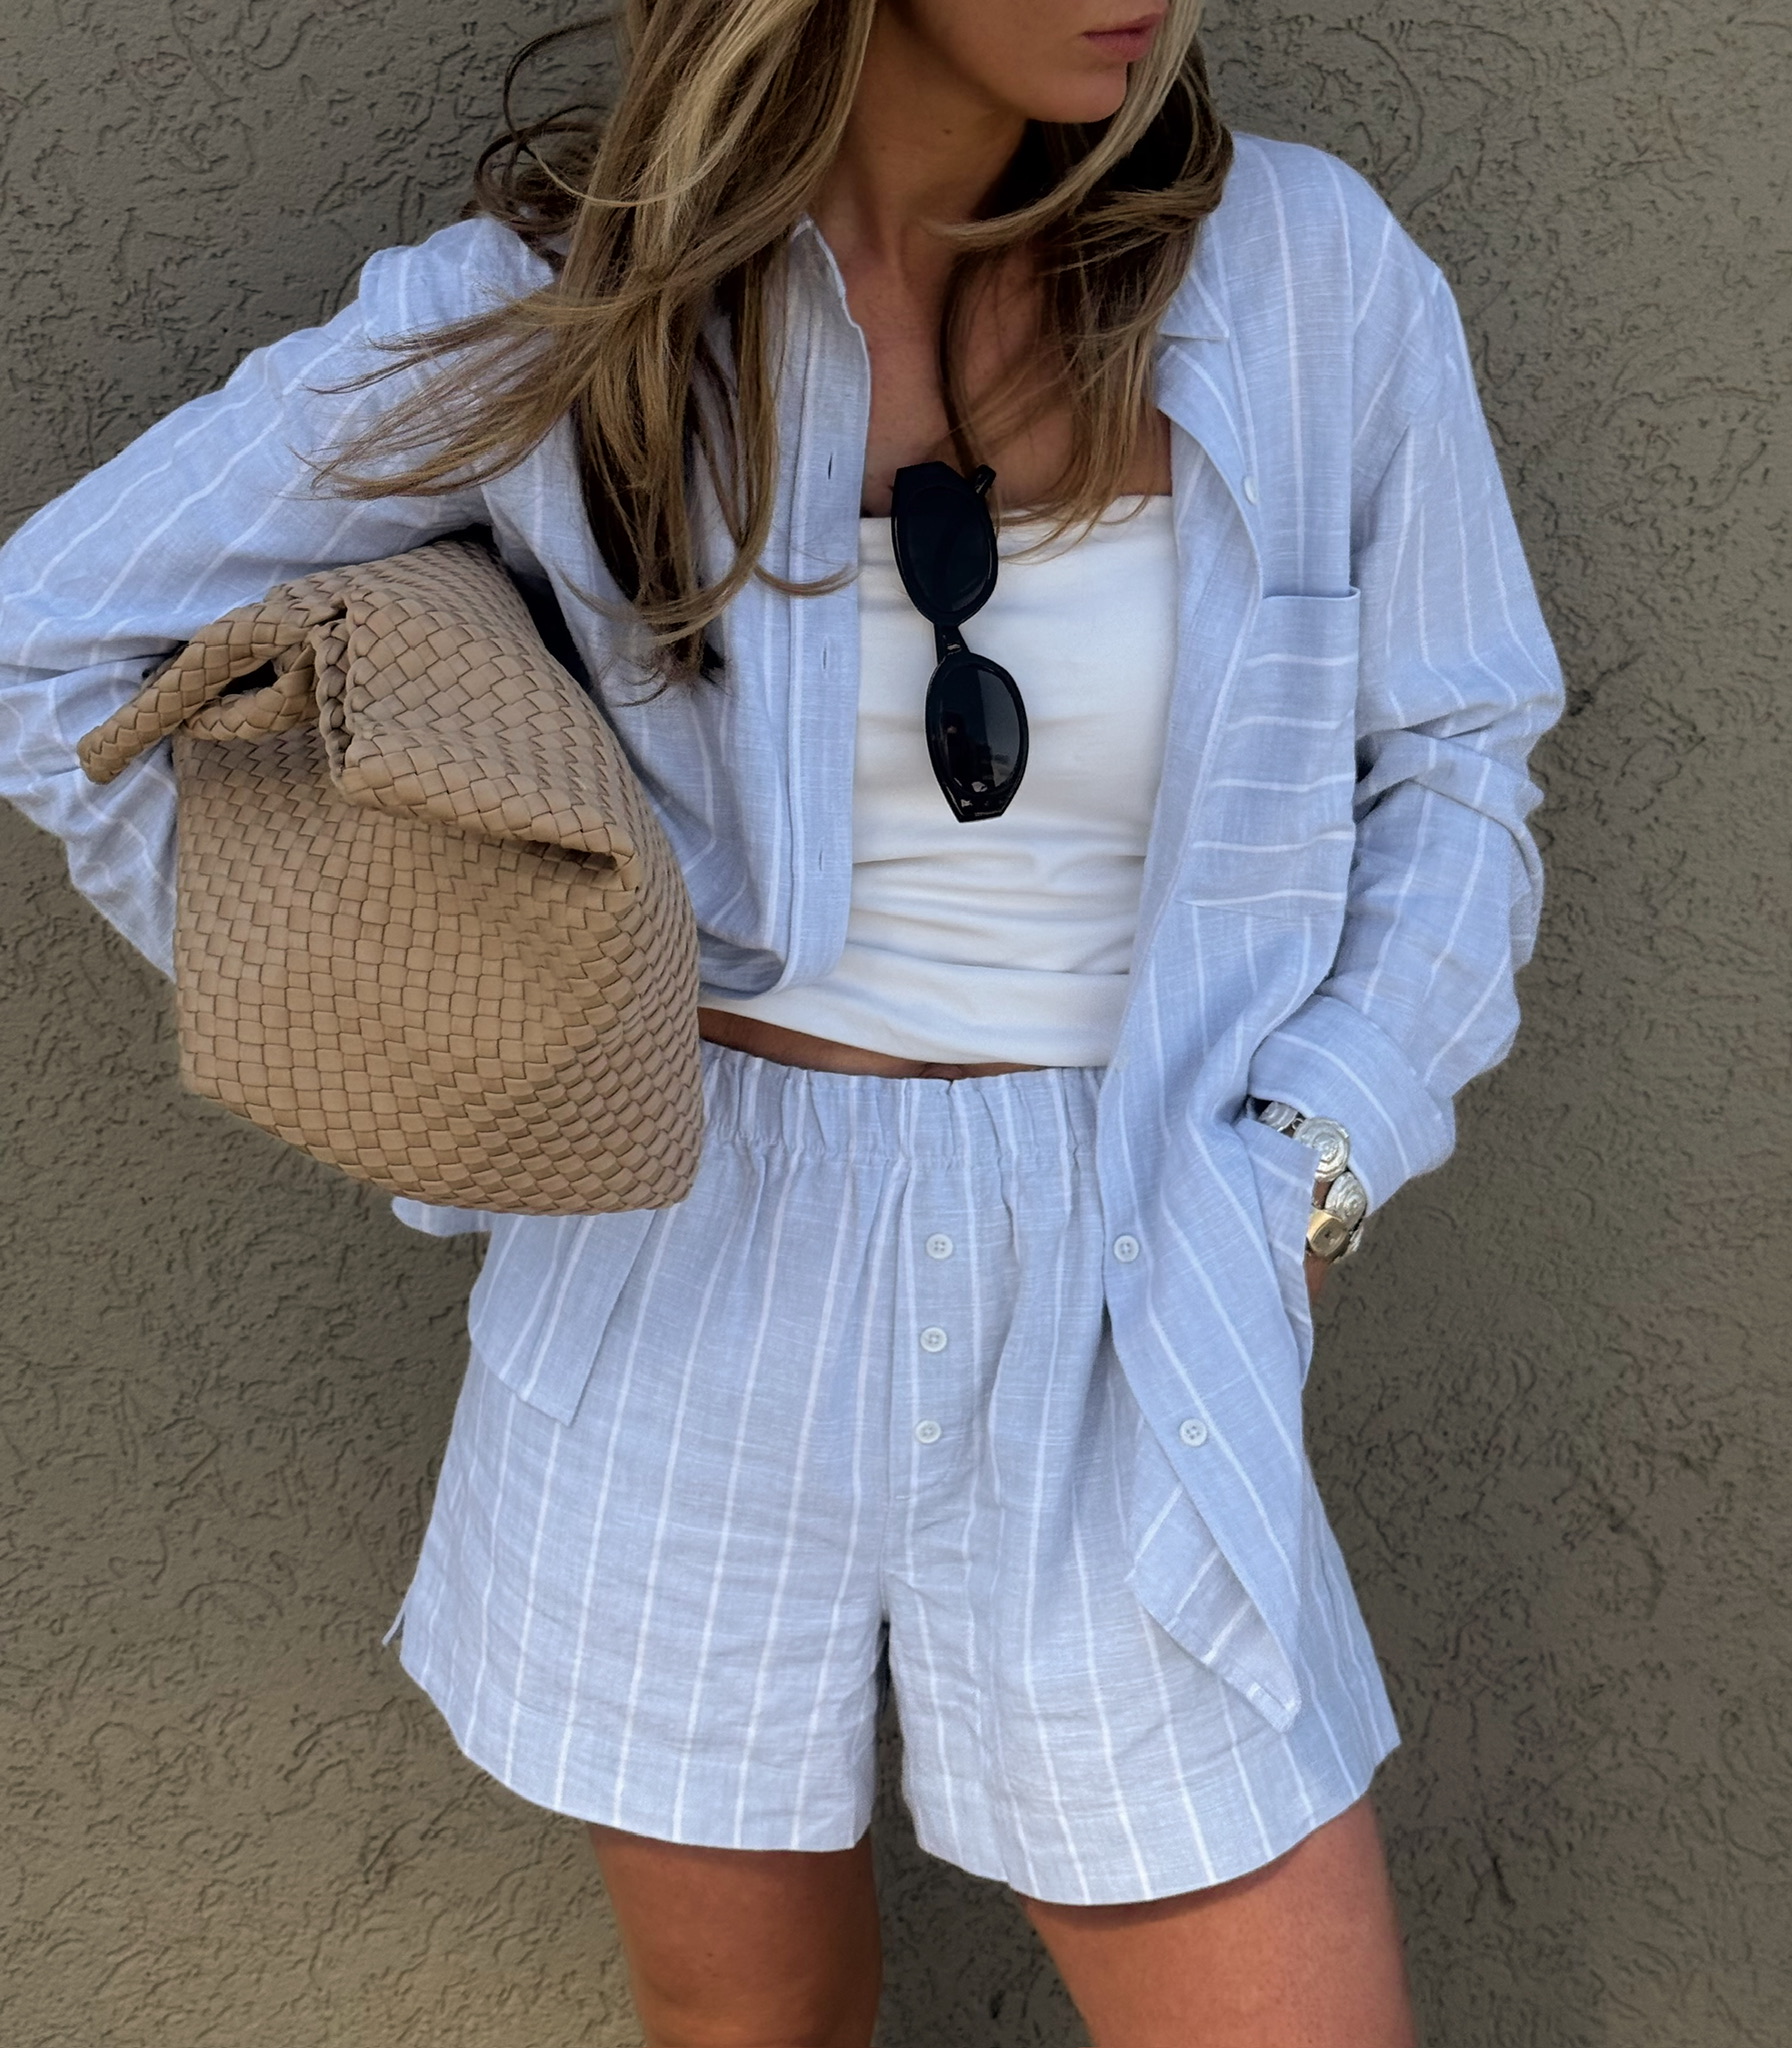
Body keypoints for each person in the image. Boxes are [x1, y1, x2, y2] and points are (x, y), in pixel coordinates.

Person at [0, 2, 1563, 2041]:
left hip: (1136, 1266)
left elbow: (1454, 752)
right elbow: (58, 637)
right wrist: (393, 1032)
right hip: (687, 1272)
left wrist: (1313, 1165)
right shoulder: (567, 312)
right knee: (752, 2025)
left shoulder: (1300, 269)